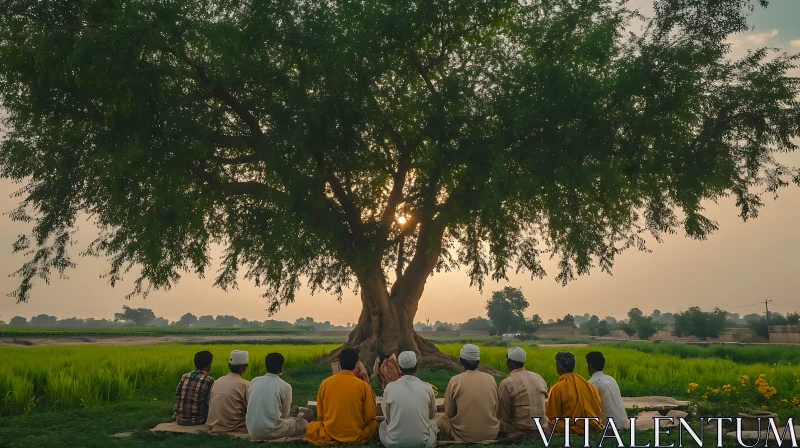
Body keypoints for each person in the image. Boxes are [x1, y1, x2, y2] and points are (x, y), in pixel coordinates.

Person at [305, 348, 379, 445]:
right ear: (355, 365)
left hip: (330, 432)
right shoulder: (363, 385)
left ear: (339, 364)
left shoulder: (326, 383)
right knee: (374, 424)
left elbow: (321, 413)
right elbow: (370, 415)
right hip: (356, 434)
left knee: (311, 427)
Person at [435, 344, 500, 442]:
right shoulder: (490, 379)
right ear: (478, 361)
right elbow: (496, 407)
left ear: (461, 361)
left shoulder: (455, 380)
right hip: (491, 433)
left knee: (441, 420)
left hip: (463, 435)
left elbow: (449, 412)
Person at [247, 352, 313, 440]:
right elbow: (285, 415)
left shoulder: (254, 381)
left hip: (252, 431)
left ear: (266, 365)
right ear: (281, 367)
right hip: (271, 432)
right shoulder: (285, 386)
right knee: (303, 422)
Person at [379, 351, 438, 448]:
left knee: (382, 425)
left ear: (399, 367)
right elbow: (431, 416)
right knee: (433, 423)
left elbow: (388, 418)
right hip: (425, 442)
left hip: (393, 443)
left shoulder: (389, 388)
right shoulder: (427, 388)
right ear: (416, 366)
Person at [545, 352, 603, 435]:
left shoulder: (557, 388)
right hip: (591, 424)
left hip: (569, 426)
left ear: (558, 367)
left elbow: (552, 415)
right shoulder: (588, 385)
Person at [498, 347, 548, 437]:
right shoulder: (539, 377)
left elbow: (504, 414)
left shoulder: (507, 383)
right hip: (542, 427)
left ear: (509, 363)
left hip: (519, 429)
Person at [207, 350, 250, 433]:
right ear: (244, 367)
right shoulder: (245, 385)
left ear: (229, 365)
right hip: (232, 425)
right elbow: (250, 408)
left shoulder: (217, 381)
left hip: (213, 423)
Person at [586, 351, 628, 429]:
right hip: (622, 421)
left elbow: (589, 408)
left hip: (609, 425)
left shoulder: (592, 383)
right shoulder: (610, 379)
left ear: (590, 366)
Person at [173, 350, 215, 425]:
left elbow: (178, 395)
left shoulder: (185, 376)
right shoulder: (209, 380)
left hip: (180, 419)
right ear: (209, 365)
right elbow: (210, 402)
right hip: (198, 420)